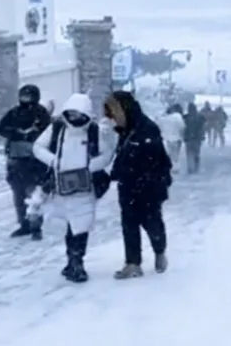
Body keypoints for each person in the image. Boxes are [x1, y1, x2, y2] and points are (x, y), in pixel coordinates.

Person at [32, 93, 117, 283]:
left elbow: (107, 154)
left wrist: (89, 167)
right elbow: (38, 147)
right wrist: (54, 161)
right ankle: (72, 261)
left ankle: (76, 261)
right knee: (70, 224)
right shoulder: (57, 128)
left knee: (81, 226)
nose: (74, 118)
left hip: (85, 186)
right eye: (71, 113)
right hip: (61, 185)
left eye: (78, 114)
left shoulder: (95, 131)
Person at [105, 91, 173, 278]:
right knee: (129, 224)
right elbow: (123, 157)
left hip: (149, 187)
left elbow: (156, 161)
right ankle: (133, 263)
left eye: (114, 111)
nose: (112, 117)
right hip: (128, 186)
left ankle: (159, 251)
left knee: (152, 223)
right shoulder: (125, 131)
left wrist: (148, 181)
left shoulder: (147, 129)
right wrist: (114, 174)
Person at [0, 84, 52, 239]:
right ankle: (23, 224)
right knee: (18, 194)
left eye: (29, 96)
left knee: (33, 195)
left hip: (34, 161)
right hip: (16, 159)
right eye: (23, 96)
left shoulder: (41, 113)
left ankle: (35, 226)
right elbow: (0, 128)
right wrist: (16, 133)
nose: (26, 100)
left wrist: (33, 136)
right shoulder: (14, 113)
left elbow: (48, 133)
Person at [183, 102, 204, 173]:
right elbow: (202, 128)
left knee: (188, 154)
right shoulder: (200, 117)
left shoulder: (185, 117)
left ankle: (189, 168)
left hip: (188, 138)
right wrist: (202, 136)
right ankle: (196, 167)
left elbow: (183, 128)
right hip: (197, 139)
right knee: (196, 154)